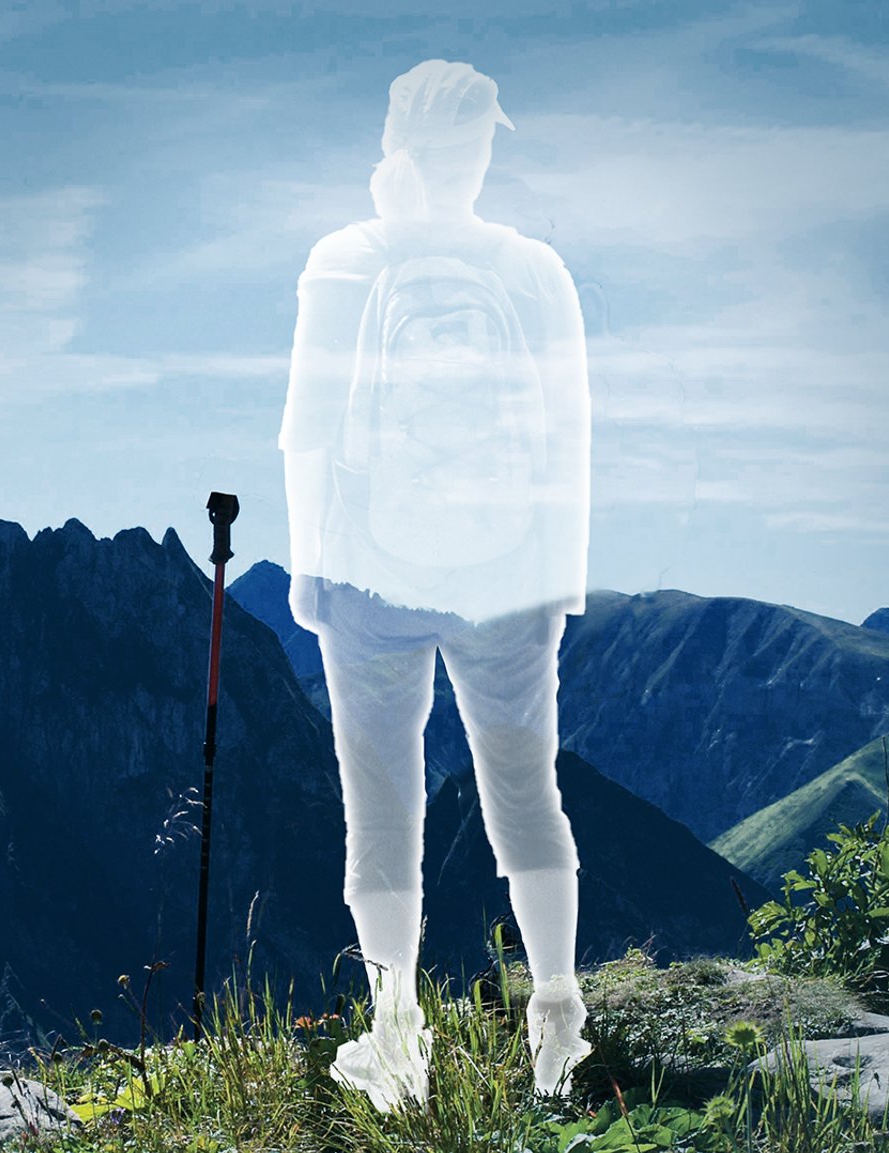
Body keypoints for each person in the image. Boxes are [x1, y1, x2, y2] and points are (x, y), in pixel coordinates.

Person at [277, 59, 593, 1109]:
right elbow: (566, 435)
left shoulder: (343, 261)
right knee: (522, 795)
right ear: (477, 152)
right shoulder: (534, 270)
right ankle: (553, 1018)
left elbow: (306, 428)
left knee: (380, 810)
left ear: (391, 147)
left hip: (370, 568)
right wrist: (559, 577)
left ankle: (396, 1037)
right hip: (507, 573)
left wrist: (310, 570)